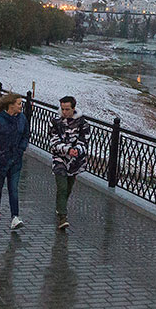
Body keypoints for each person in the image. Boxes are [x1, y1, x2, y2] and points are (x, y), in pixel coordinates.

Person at [0, 93, 29, 230]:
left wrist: (21, 149)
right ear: (11, 105)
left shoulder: (22, 119)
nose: (21, 106)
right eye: (19, 103)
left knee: (13, 188)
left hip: (16, 160)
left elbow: (26, 135)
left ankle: (15, 217)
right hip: (1, 160)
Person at [49, 95, 89, 230]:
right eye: (62, 109)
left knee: (68, 187)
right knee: (62, 186)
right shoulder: (56, 122)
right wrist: (67, 150)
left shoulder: (82, 123)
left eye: (67, 109)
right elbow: (53, 141)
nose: (64, 112)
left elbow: (84, 140)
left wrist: (76, 150)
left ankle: (60, 206)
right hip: (59, 158)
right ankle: (62, 216)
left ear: (73, 108)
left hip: (75, 161)